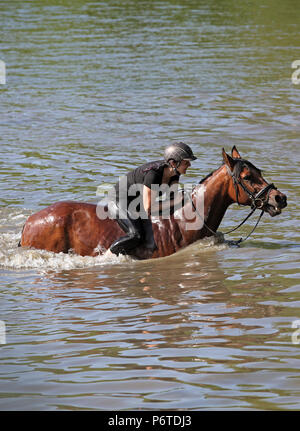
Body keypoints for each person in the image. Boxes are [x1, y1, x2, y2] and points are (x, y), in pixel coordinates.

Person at [108, 142, 197, 256]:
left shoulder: (175, 174)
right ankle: (108, 255)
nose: (189, 165)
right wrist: (175, 201)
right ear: (173, 163)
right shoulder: (153, 175)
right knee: (136, 235)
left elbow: (173, 199)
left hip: (138, 202)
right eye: (186, 162)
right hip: (119, 199)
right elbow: (148, 208)